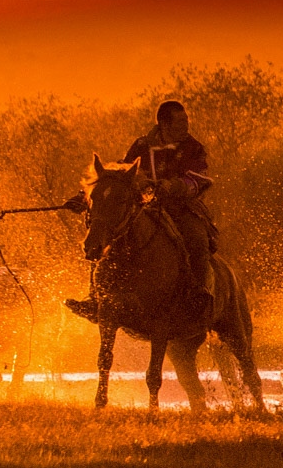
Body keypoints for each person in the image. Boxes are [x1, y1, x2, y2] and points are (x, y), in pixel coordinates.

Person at [66, 100, 216, 322]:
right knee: (107, 233)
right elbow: (121, 173)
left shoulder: (193, 148)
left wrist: (175, 186)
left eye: (186, 121)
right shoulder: (142, 146)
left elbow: (200, 178)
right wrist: (84, 196)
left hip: (182, 207)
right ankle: (96, 299)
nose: (186, 126)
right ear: (164, 124)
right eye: (181, 121)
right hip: (145, 207)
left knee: (196, 237)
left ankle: (197, 293)